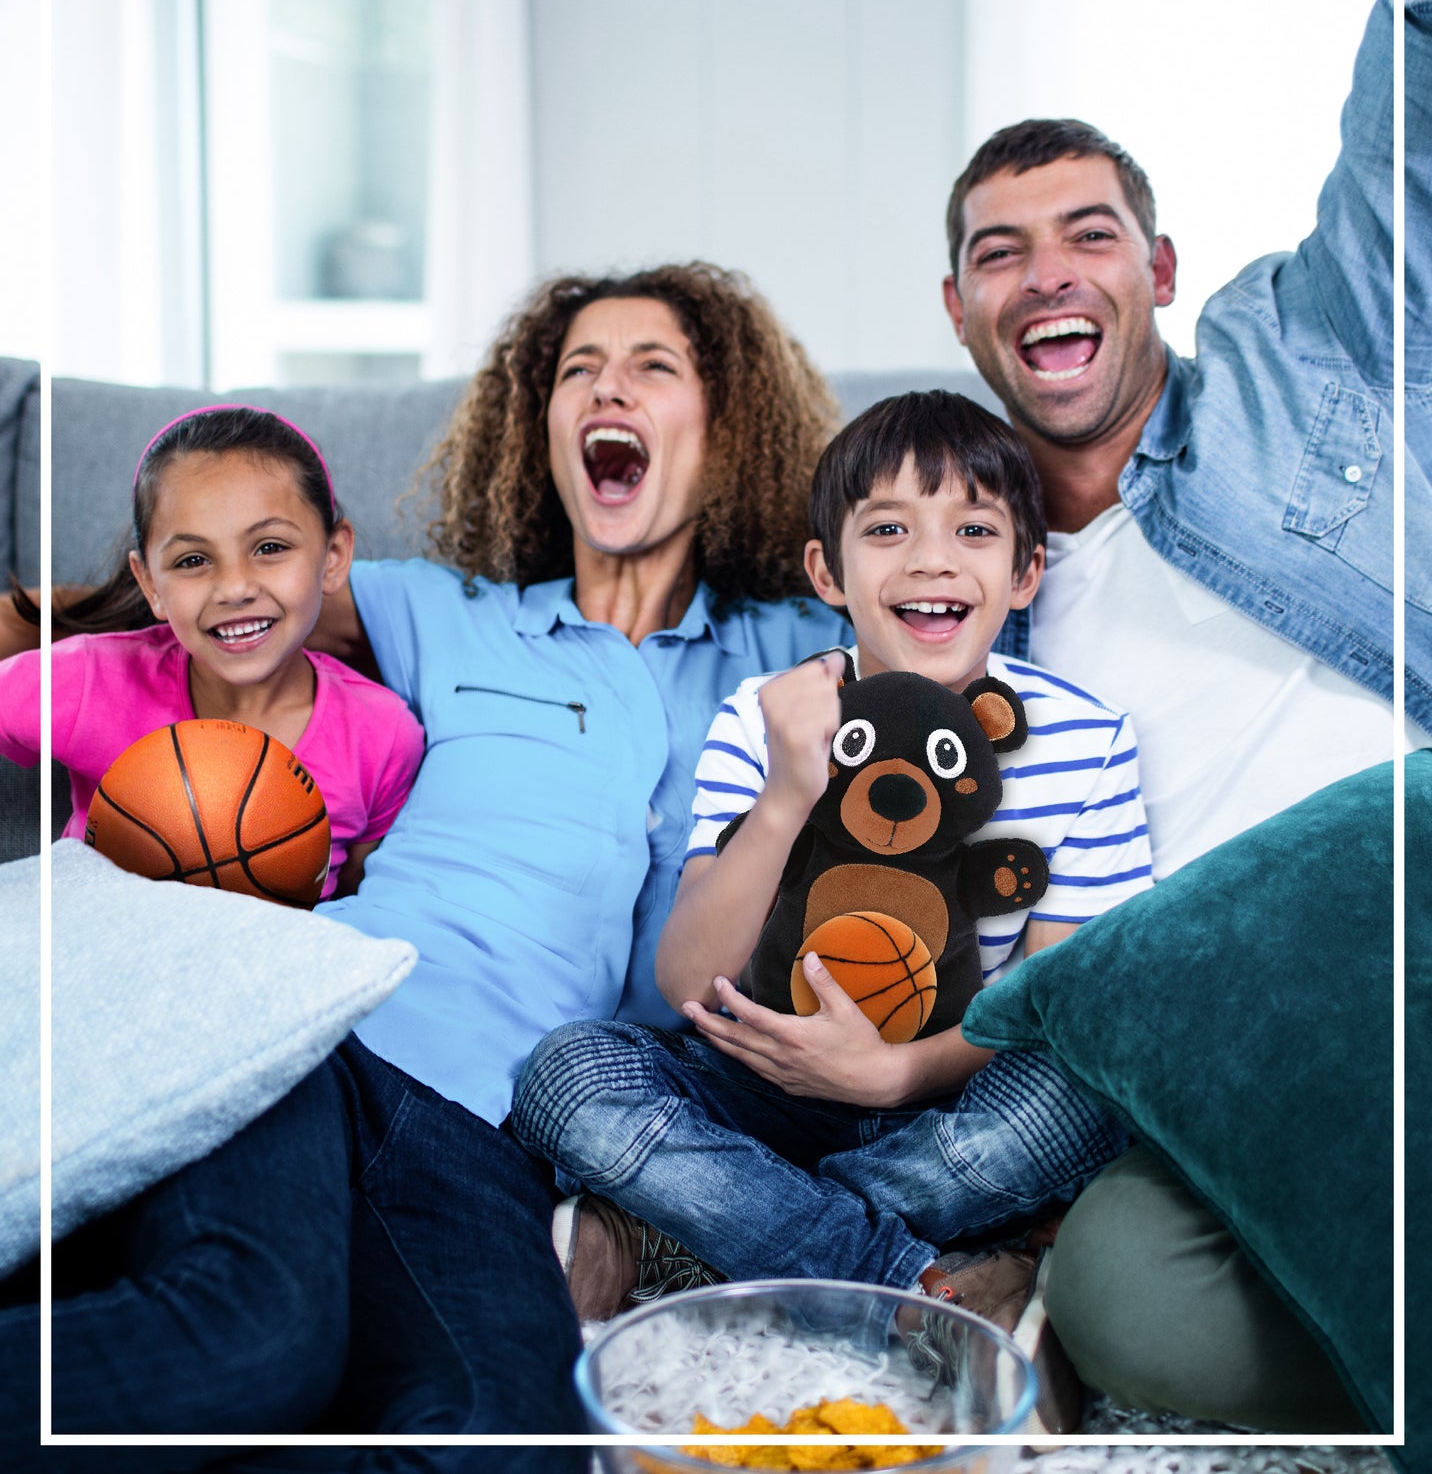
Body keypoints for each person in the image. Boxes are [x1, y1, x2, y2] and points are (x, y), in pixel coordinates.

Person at [655, 0, 1432, 1438]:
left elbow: (1410, 145)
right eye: (996, 254)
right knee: (1132, 1309)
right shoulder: (947, 594)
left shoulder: (1303, 377)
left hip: (1400, 927)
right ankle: (937, 1252)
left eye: (1088, 236)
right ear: (958, 313)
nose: (1045, 275)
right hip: (1168, 1062)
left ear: (1155, 268)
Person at [0, 262, 852, 1471]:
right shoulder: (442, 610)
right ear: (541, 425)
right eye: (577, 372)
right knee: (246, 1341)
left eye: (652, 366)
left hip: (488, 1141)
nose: (607, 386)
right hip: (311, 1034)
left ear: (726, 425)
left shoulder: (797, 652)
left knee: (508, 1446)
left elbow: (959, 593)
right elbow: (231, 581)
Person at [512, 391, 1151, 1396]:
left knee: (1092, 1090)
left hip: (950, 1099)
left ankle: (689, 1224)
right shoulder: (766, 717)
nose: (931, 559)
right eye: (887, 528)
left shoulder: (1086, 736)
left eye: (973, 529)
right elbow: (687, 976)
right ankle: (908, 1274)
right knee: (564, 1074)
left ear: (1024, 571)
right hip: (756, 1086)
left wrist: (893, 1075)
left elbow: (1055, 997)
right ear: (828, 570)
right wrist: (785, 792)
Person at [0, 406, 424, 899]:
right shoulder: (86, 679)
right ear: (150, 585)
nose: (235, 587)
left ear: (333, 559)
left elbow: (368, 904)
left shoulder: (384, 734)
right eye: (193, 560)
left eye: (269, 547)